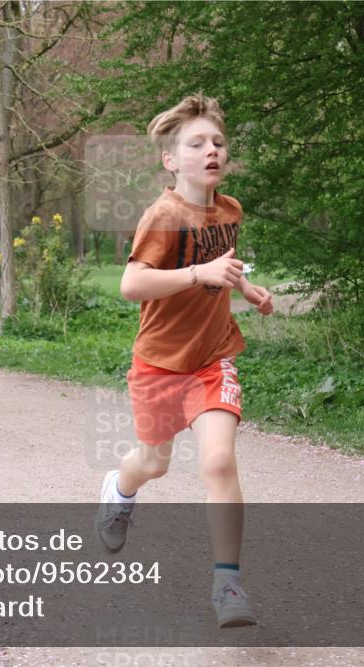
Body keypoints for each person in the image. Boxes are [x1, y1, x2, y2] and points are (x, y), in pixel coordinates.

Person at [94, 94, 275, 629]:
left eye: (217, 141)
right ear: (171, 160)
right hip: (158, 363)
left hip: (212, 358)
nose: (211, 150)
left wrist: (248, 289)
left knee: (217, 461)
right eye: (196, 144)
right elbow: (132, 284)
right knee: (154, 462)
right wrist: (199, 275)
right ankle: (119, 490)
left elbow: (223, 266)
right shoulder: (165, 215)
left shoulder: (230, 210)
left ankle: (227, 583)